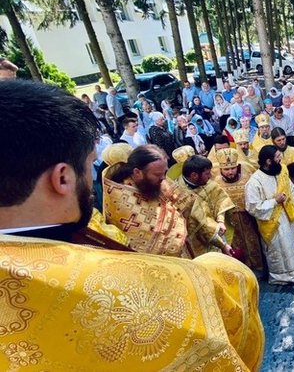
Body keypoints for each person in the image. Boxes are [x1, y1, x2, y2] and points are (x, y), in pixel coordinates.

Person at [0, 79, 264, 371]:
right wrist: (219, 267)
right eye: (89, 166)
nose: (95, 183)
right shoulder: (124, 286)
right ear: (62, 178)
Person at [103, 144, 197, 256]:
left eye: (165, 173)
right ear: (137, 172)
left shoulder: (152, 179)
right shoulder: (120, 195)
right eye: (158, 174)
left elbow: (182, 200)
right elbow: (150, 238)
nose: (163, 179)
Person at [245, 145, 294, 285]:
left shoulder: (281, 170)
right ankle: (284, 277)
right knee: (281, 249)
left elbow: (290, 189)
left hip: (288, 215)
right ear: (268, 161)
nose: (280, 158)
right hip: (273, 222)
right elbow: (253, 207)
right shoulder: (254, 182)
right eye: (277, 157)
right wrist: (274, 201)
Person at [214, 147, 264, 273]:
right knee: (235, 245)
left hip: (249, 217)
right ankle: (242, 270)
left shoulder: (248, 175)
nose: (230, 172)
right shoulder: (215, 182)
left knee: (254, 241)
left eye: (232, 168)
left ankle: (259, 267)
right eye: (226, 169)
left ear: (237, 166)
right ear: (220, 169)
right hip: (229, 221)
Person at [177, 155, 235, 257]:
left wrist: (220, 220)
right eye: (207, 173)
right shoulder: (181, 196)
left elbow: (221, 200)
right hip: (199, 242)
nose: (211, 176)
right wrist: (223, 245)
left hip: (218, 231)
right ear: (194, 175)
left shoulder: (206, 182)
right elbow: (203, 224)